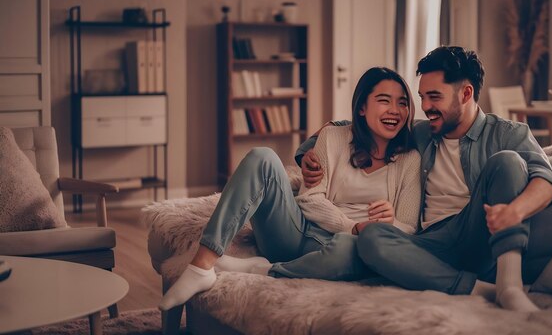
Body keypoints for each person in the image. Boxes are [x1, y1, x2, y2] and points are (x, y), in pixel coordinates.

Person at [298, 46, 552, 312]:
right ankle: (477, 289)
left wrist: (516, 210)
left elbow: (546, 180)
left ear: (466, 93)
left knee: (508, 161)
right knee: (372, 236)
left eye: (434, 97)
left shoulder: (507, 133)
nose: (424, 107)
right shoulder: (421, 132)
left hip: (476, 231)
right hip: (427, 243)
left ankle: (510, 286)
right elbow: (352, 126)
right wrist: (305, 154)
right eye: (422, 97)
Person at [159, 67, 422, 311]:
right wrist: (350, 226)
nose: (395, 110)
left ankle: (266, 269)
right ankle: (201, 266)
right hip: (298, 231)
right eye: (385, 100)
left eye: (402, 103)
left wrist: (388, 224)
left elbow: (409, 227)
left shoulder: (410, 159)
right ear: (362, 107)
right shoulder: (333, 137)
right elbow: (309, 200)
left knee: (350, 250)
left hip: (346, 248)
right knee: (262, 156)